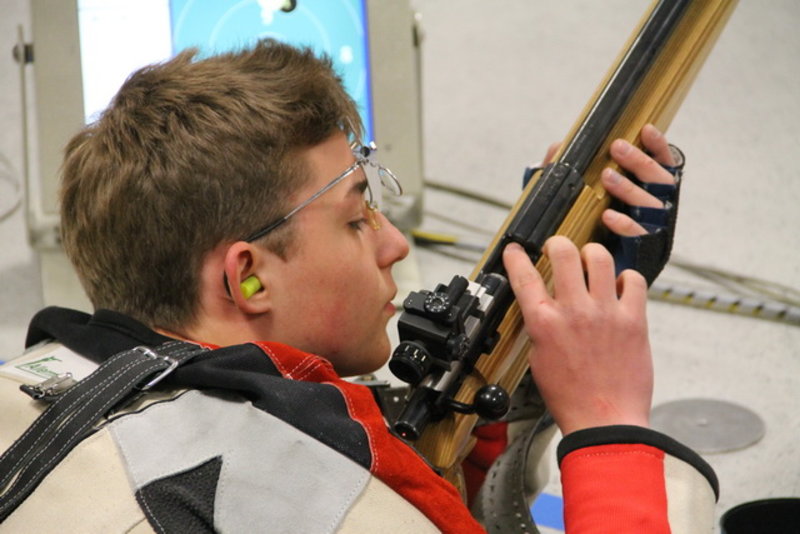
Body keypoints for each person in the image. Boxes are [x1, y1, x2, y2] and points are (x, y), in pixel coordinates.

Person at [0, 40, 717, 532]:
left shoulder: (27, 383)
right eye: (355, 219)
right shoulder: (337, 502)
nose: (394, 244)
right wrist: (606, 422)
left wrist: (515, 367)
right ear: (248, 276)